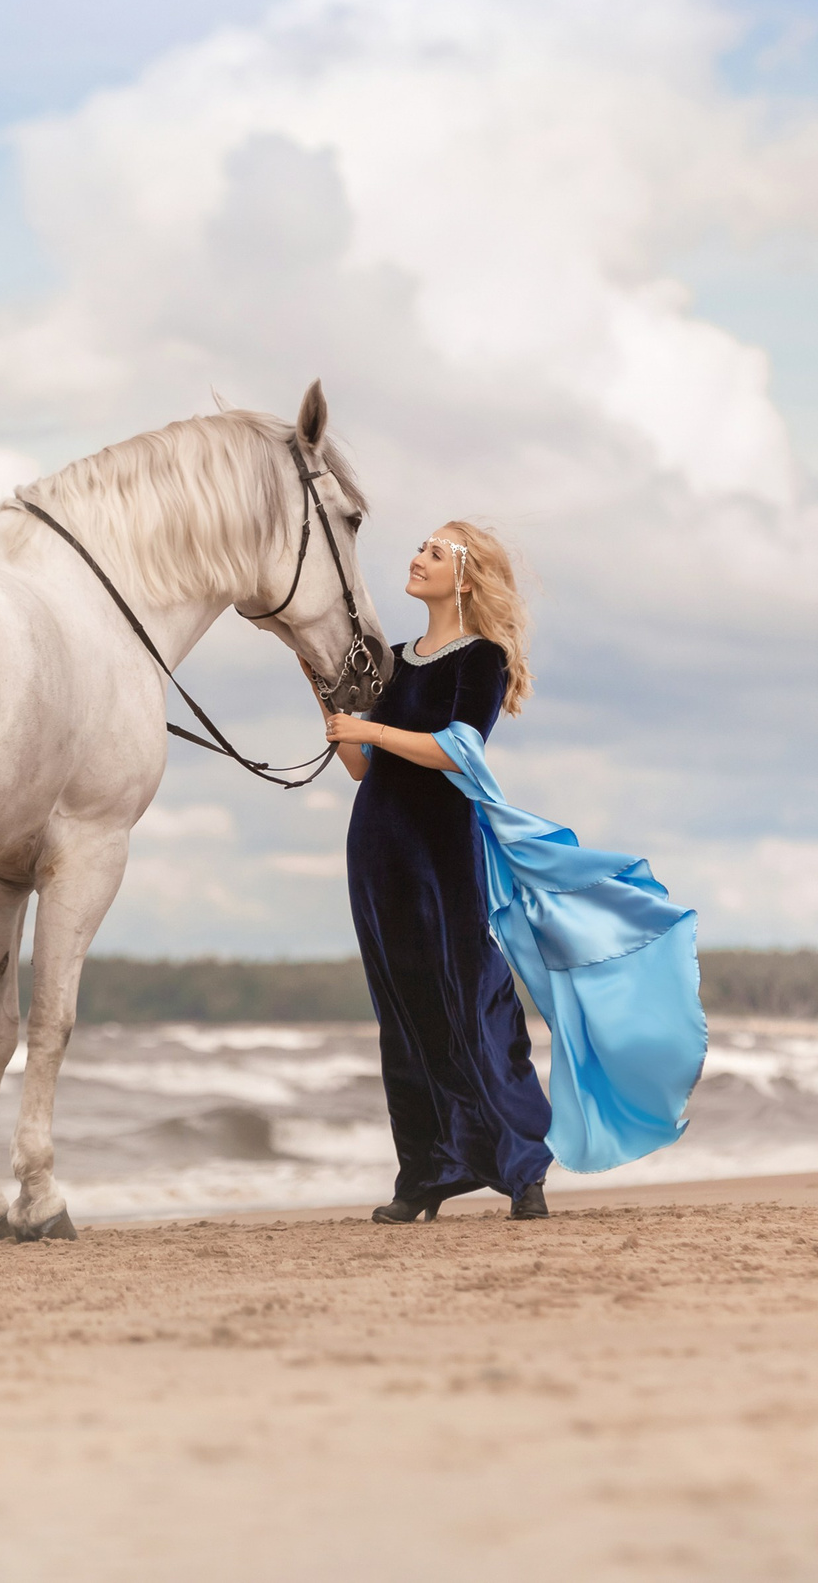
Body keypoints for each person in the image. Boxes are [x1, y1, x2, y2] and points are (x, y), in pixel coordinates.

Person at [324, 522, 553, 1222]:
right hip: (376, 847)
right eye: (420, 546)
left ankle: (521, 1168)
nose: (417, 556)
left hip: (441, 848)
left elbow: (458, 750)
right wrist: (334, 710)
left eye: (434, 551)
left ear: (465, 578)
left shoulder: (481, 658)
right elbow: (363, 767)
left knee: (470, 994)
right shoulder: (391, 659)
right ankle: (424, 1172)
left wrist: (371, 729)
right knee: (400, 1010)